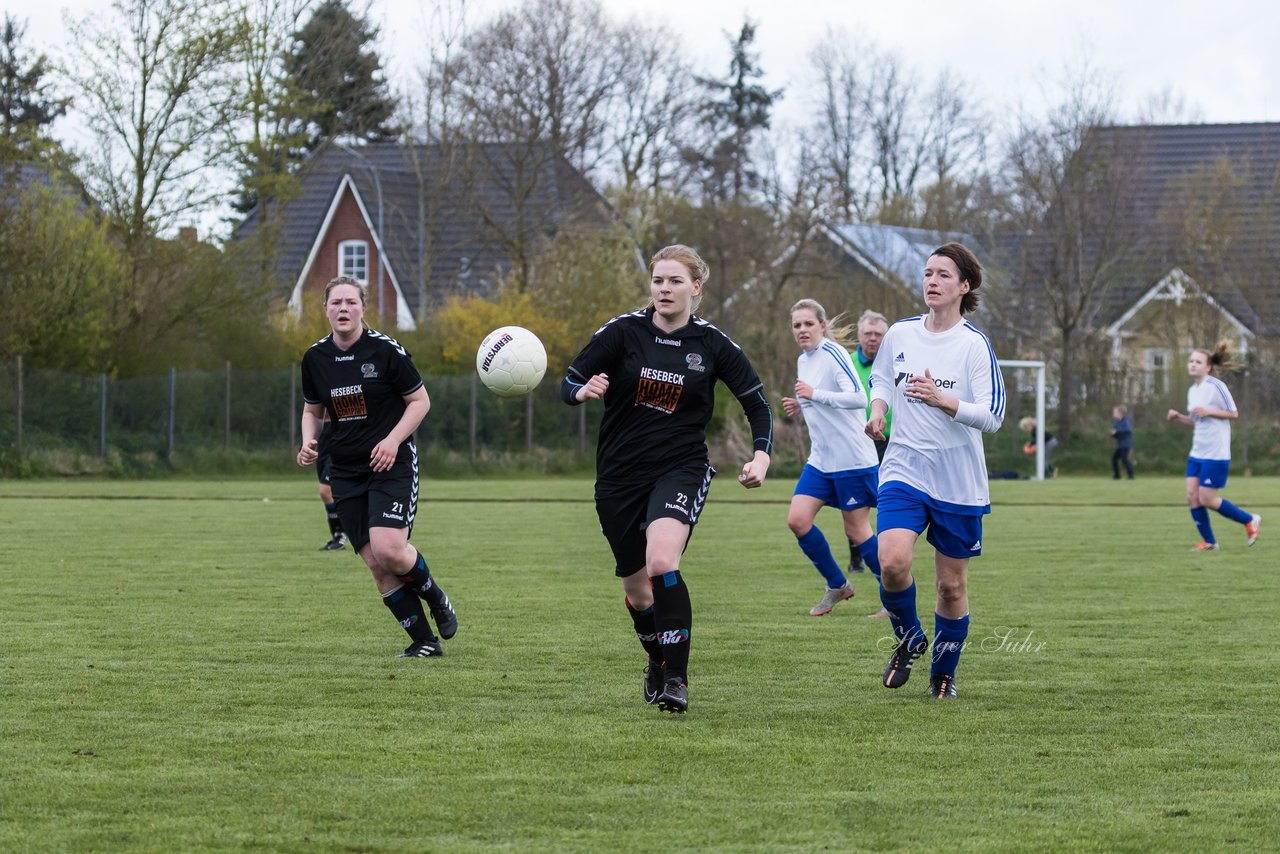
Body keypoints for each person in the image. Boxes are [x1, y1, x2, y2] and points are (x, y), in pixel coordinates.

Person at [561, 244, 773, 714]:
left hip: (681, 468)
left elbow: (757, 404)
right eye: (658, 280)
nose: (664, 289)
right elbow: (569, 380)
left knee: (661, 562)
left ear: (696, 288)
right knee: (638, 593)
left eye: (675, 281)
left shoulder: (713, 345)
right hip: (617, 476)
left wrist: (761, 456)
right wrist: (582, 390)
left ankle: (677, 679)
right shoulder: (622, 333)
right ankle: (658, 659)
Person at [866, 243, 1005, 700]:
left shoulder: (974, 344)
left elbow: (993, 415)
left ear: (964, 286)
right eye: (927, 273)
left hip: (957, 478)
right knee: (891, 561)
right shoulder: (901, 334)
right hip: (904, 466)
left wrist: (944, 401)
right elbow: (881, 378)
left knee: (951, 586)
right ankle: (909, 638)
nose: (932, 281)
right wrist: (879, 409)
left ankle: (943, 674)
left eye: (943, 275)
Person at [297, 276, 458, 658]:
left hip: (392, 462)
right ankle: (424, 642)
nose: (343, 309)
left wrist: (391, 440)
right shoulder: (315, 358)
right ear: (325, 309)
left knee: (389, 549)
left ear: (363, 307)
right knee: (375, 563)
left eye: (351, 302)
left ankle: (436, 597)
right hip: (346, 469)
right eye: (335, 302)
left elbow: (420, 402)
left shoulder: (386, 351)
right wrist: (308, 441)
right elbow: (311, 410)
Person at [781, 300, 882, 617]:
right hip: (821, 461)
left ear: (822, 326)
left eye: (808, 324)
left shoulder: (833, 353)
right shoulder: (803, 360)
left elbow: (858, 399)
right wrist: (802, 405)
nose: (802, 330)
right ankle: (838, 584)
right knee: (797, 520)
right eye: (796, 325)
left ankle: (894, 597)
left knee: (857, 530)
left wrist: (813, 395)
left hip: (852, 459)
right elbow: (818, 399)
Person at [1165, 343, 1261, 551]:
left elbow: (1233, 413)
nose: (1193, 365)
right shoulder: (1193, 390)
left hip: (1216, 453)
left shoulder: (1216, 386)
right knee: (1192, 496)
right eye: (1191, 361)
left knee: (1206, 498)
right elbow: (1196, 420)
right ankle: (1209, 542)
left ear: (1208, 367)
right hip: (1197, 452)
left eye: (1198, 362)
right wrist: (1179, 417)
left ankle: (1249, 519)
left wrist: (1209, 411)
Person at [851, 310, 893, 618]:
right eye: (869, 333)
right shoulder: (848, 364)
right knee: (855, 507)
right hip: (857, 444)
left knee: (886, 505)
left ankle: (892, 555)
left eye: (879, 334)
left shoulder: (895, 362)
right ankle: (858, 558)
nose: (873, 338)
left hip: (892, 444)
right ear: (860, 334)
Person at [315, 416, 349, 550]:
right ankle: (337, 535)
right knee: (330, 493)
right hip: (323, 438)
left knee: (325, 491)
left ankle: (341, 535)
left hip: (340, 435)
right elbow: (312, 412)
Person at [1110, 405, 1135, 480]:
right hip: (1120, 445)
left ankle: (1131, 475)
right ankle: (1117, 476)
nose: (1113, 414)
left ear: (1119, 413)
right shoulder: (1117, 423)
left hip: (1126, 444)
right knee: (1114, 459)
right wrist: (1113, 434)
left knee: (1124, 459)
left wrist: (1117, 431)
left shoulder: (1126, 420)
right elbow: (1118, 435)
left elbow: (1128, 430)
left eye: (1114, 412)